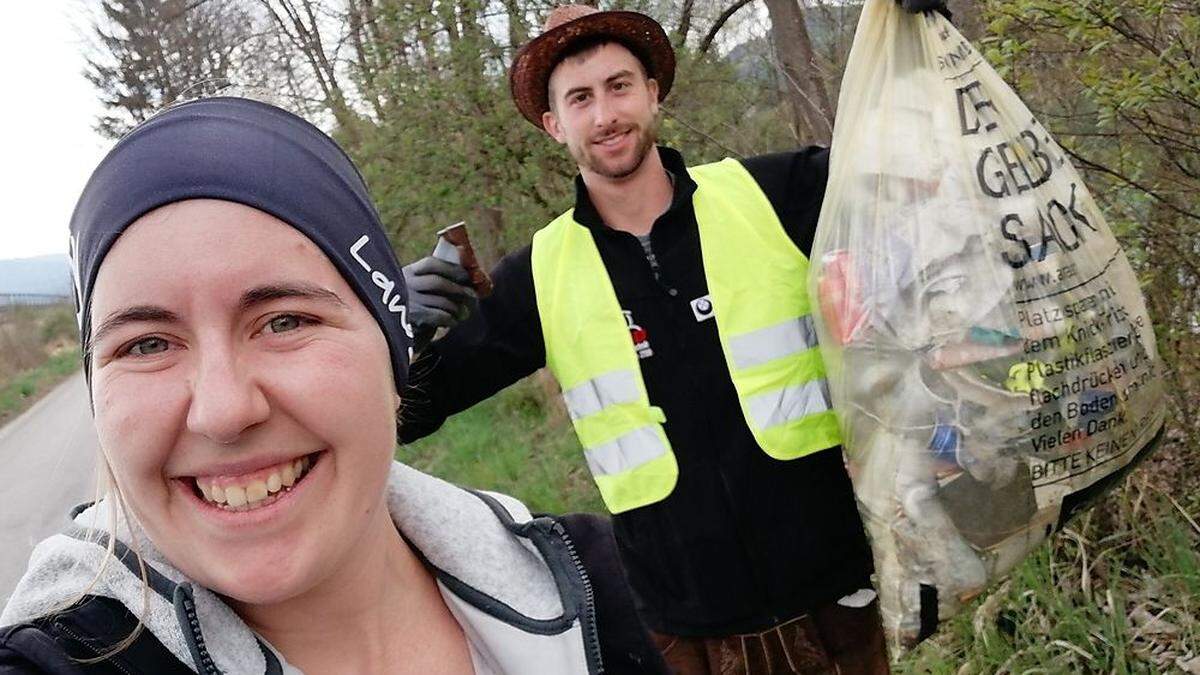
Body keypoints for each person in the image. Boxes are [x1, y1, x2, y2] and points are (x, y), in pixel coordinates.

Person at [0, 97, 665, 674]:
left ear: (392, 351)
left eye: (284, 320)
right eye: (146, 343)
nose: (224, 409)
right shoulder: (61, 658)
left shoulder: (603, 585)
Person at [398, 3, 949, 673]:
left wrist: (918, 41)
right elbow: (409, 412)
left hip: (834, 594)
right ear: (553, 124)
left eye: (619, 85)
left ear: (652, 91)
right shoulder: (540, 276)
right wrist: (394, 318)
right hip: (686, 632)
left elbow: (915, 168)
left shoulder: (771, 194)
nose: (605, 114)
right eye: (580, 98)